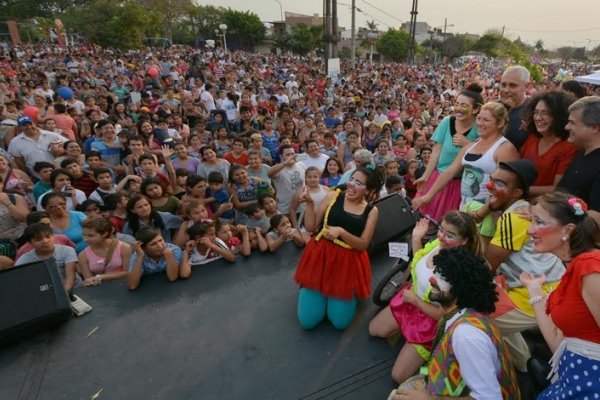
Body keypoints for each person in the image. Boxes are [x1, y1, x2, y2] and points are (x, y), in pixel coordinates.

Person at [369, 211, 485, 383]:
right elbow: (418, 262)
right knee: (374, 330)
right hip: (410, 300)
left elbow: (442, 315)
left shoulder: (458, 272)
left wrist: (415, 300)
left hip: (428, 321)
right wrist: (416, 239)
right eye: (441, 230)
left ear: (465, 240)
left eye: (450, 235)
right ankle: (405, 331)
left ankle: (430, 355)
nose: (442, 237)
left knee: (398, 376)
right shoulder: (437, 244)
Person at [391, 246, 520, 399]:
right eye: (436, 272)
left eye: (443, 277)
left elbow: (489, 397)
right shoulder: (462, 312)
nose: (432, 279)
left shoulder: (466, 335)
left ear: (461, 288)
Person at [485, 160, 565, 372]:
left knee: (478, 319)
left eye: (499, 184)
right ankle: (525, 366)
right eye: (492, 180)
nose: (490, 187)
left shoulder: (514, 217)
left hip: (539, 291)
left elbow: (488, 264)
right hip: (542, 285)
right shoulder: (517, 210)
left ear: (517, 192)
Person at [521, 192, 600, 399]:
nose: (530, 230)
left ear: (568, 229)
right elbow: (558, 343)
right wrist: (535, 291)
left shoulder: (589, 268)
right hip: (572, 381)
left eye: (538, 222)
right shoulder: (574, 268)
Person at [413, 102, 519, 240]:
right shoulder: (471, 145)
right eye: (479, 118)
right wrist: (428, 196)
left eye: (486, 120)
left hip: (489, 214)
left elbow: (505, 188)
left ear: (500, 124)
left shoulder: (505, 148)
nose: (480, 123)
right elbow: (450, 171)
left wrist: (481, 213)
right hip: (466, 210)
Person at [294, 167, 382, 330]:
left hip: (346, 264)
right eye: (352, 180)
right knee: (308, 322)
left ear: (368, 190)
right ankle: (316, 290)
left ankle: (337, 293)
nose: (351, 185)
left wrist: (341, 232)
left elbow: (363, 244)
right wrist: (310, 203)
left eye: (359, 183)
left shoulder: (371, 211)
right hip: (321, 257)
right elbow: (311, 227)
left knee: (340, 323)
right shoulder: (332, 196)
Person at [415, 84, 483, 222]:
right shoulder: (447, 122)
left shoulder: (479, 128)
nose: (458, 108)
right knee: (425, 219)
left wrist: (468, 144)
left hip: (460, 185)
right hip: (438, 178)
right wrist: (426, 176)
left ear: (475, 109)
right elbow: (436, 152)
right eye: (457, 104)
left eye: (464, 105)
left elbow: (484, 154)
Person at [519, 90, 578, 197]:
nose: (538, 118)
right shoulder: (532, 138)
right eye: (536, 112)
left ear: (560, 116)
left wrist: (521, 189)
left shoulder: (569, 147)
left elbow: (558, 188)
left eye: (545, 113)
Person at [556, 96, 600, 225]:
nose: (566, 127)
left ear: (594, 128)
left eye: (572, 123)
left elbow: (596, 218)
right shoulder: (582, 152)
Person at [15, 223, 79, 292]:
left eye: (48, 237)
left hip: (75, 288)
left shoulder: (67, 250)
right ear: (30, 242)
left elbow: (70, 275)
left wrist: (65, 294)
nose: (45, 241)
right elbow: (19, 278)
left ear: (53, 236)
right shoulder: (25, 259)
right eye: (38, 239)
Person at [78, 217, 131, 286]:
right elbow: (89, 280)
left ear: (105, 233)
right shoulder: (83, 255)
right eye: (84, 235)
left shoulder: (124, 247)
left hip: (123, 285)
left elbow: (127, 272)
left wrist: (102, 277)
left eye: (91, 236)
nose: (86, 239)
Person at [268, 144, 306, 215]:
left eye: (292, 154)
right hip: (285, 209)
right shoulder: (278, 169)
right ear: (281, 157)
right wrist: (285, 163)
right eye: (288, 155)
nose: (291, 156)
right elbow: (269, 173)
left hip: (302, 207)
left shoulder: (301, 165)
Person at [501, 65, 530, 150]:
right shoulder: (494, 107)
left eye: (512, 85)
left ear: (526, 86)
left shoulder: (534, 111)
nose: (506, 90)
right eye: (503, 85)